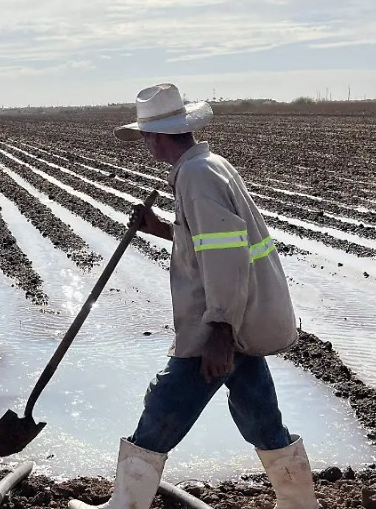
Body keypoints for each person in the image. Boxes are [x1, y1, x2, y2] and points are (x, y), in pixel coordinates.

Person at [69, 83, 318, 509]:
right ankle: (299, 503)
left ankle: (125, 504)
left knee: (165, 402)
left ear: (159, 135)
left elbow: (225, 257)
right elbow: (208, 239)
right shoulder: (208, 164)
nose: (145, 142)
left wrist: (219, 330)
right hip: (238, 318)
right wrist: (161, 228)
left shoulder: (196, 175)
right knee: (259, 414)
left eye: (146, 135)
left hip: (219, 322)